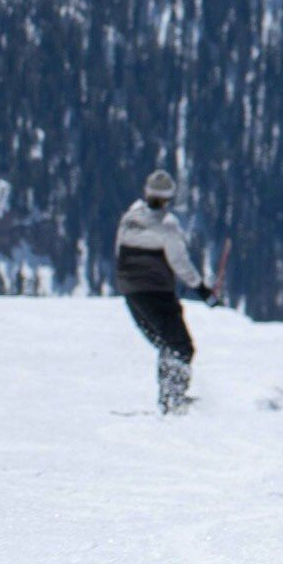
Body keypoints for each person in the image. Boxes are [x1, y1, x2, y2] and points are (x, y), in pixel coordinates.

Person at [115, 169, 215, 414]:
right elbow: (180, 262)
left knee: (166, 343)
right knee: (180, 345)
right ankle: (173, 399)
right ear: (170, 197)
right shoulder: (167, 226)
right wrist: (203, 291)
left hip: (130, 290)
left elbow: (119, 250)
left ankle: (169, 396)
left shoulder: (130, 217)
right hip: (156, 291)